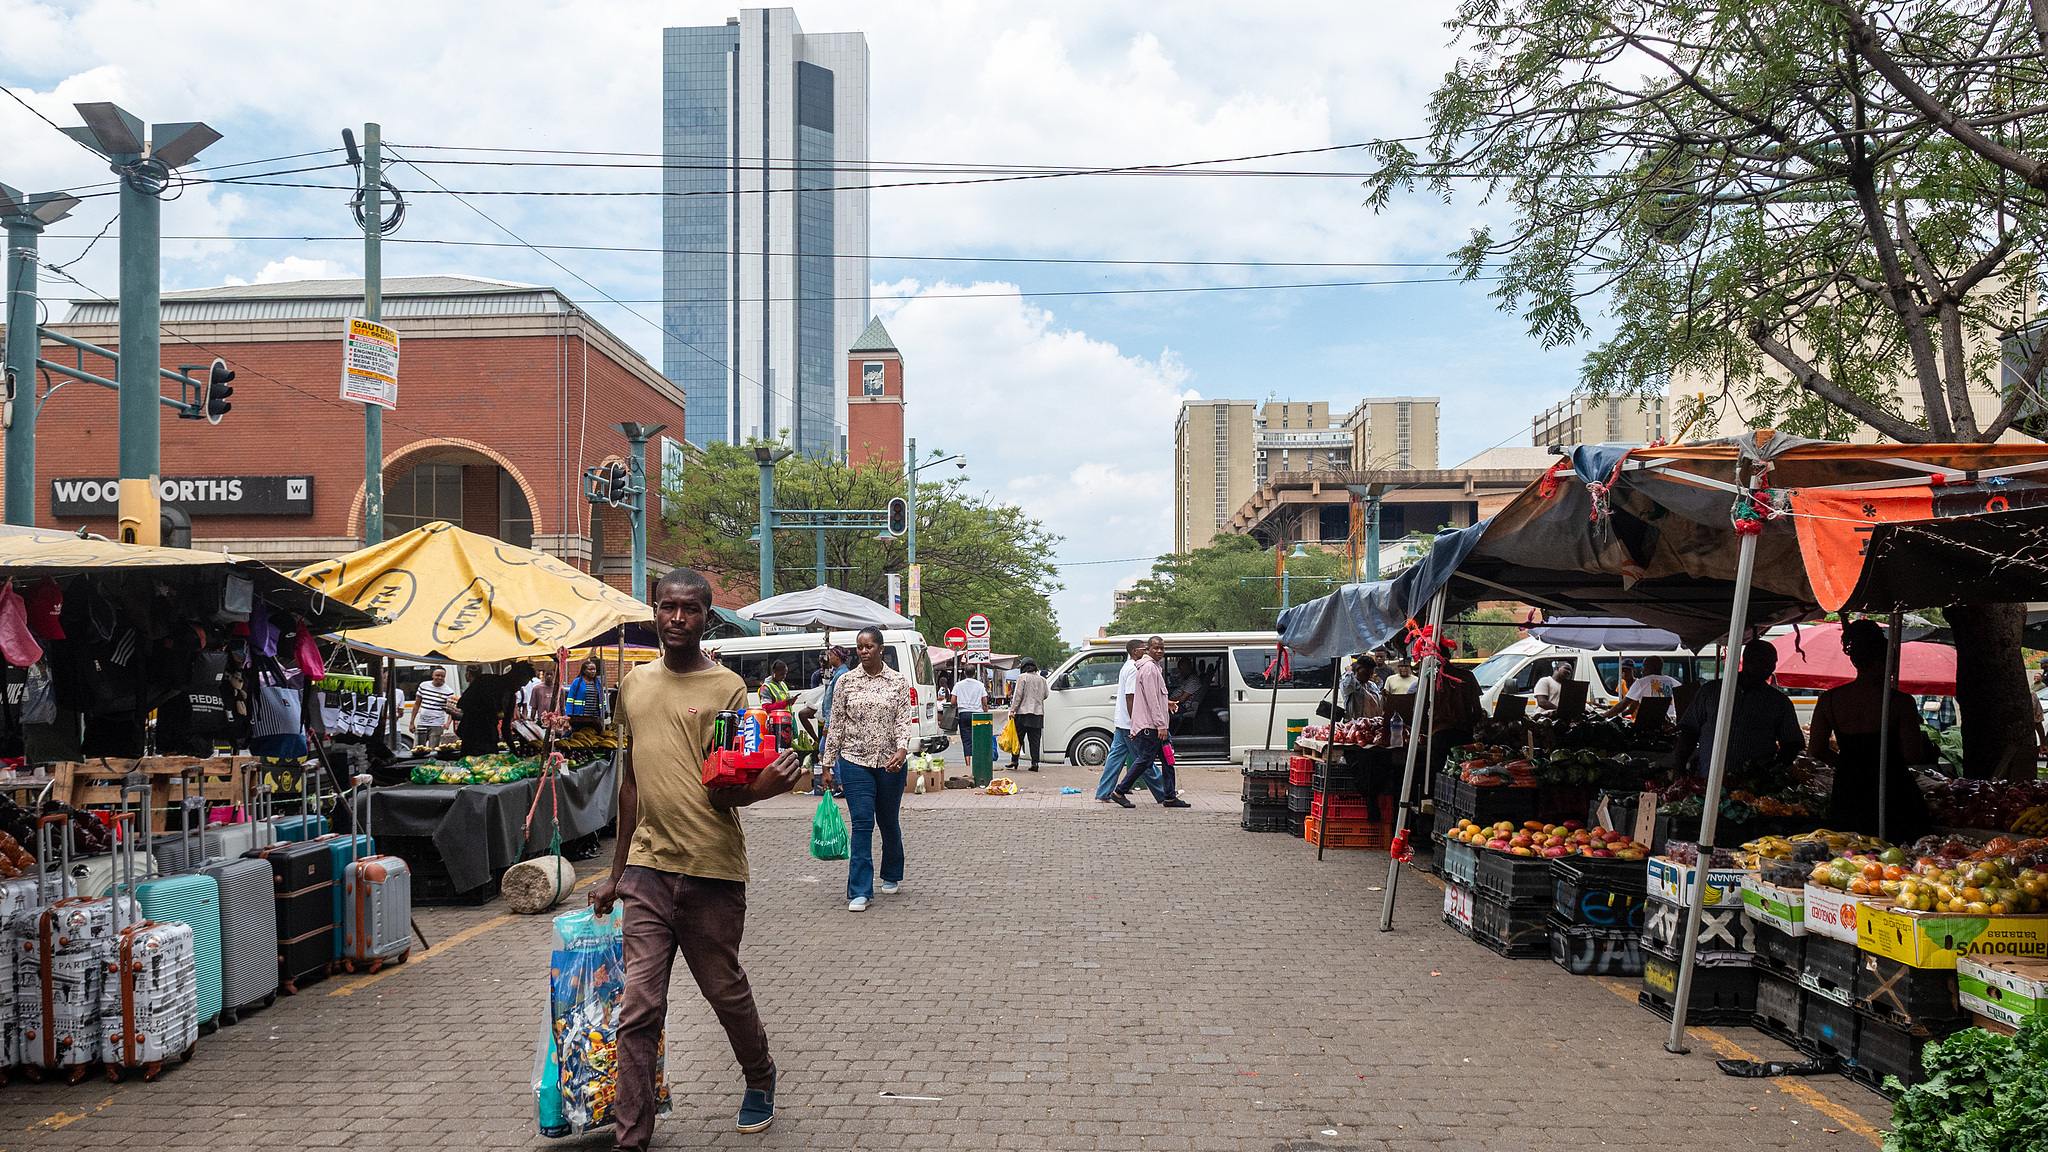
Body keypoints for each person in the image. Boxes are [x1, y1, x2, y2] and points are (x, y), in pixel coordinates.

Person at [589, 568, 802, 1142]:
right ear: (654, 612)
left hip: (711, 867)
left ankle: (760, 1075)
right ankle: (632, 1136)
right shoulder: (633, 685)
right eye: (667, 607)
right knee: (639, 1008)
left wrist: (770, 786)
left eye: (689, 609)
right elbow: (629, 784)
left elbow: (726, 786)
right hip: (648, 873)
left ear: (707, 617)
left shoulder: (727, 689)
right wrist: (615, 873)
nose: (676, 618)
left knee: (724, 990)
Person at [819, 626, 918, 912]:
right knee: (862, 823)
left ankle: (891, 873)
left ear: (880, 649)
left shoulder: (897, 682)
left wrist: (901, 750)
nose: (864, 651)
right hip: (854, 762)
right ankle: (860, 890)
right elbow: (835, 724)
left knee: (888, 821)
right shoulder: (846, 682)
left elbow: (903, 720)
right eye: (860, 647)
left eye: (869, 646)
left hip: (890, 764)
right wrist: (827, 764)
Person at [1808, 619, 1934, 841]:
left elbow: (1816, 749)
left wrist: (1849, 765)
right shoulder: (1900, 702)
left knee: (1849, 852)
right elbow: (1912, 754)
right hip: (1892, 789)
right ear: (1883, 660)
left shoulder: (1829, 700)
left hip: (1849, 789)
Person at [1672, 639, 1804, 779]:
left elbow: (1792, 744)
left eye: (1773, 663)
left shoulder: (1779, 702)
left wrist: (1771, 772)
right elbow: (1689, 731)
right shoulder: (1711, 692)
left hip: (1752, 788)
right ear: (1747, 660)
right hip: (1708, 779)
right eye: (1763, 662)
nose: (1770, 668)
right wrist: (1678, 770)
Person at [1110, 636, 1191, 809]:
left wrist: (1167, 703)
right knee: (1144, 760)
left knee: (1168, 760)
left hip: (1158, 725)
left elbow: (1155, 696)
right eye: (1156, 648)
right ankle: (1119, 791)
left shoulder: (1154, 667)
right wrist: (1161, 725)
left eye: (1162, 648)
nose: (1160, 651)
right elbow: (1152, 700)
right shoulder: (1148, 669)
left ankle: (1169, 796)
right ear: (1148, 649)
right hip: (1152, 727)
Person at [1097, 640, 1169, 803]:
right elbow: (1131, 697)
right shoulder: (1134, 669)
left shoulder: (1127, 667)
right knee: (1144, 759)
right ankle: (1164, 792)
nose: (1146, 651)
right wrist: (1135, 724)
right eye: (1144, 649)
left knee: (1115, 758)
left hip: (1122, 722)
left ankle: (1104, 791)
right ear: (1134, 651)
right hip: (1130, 724)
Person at [456, 662, 535, 755]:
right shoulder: (485, 681)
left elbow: (506, 726)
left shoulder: (511, 696)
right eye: (519, 684)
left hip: (490, 739)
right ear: (513, 676)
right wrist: (487, 711)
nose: (519, 689)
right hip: (472, 736)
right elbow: (461, 704)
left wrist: (514, 750)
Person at [1606, 655, 1680, 720]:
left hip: (1649, 723)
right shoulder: (1674, 682)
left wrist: (1604, 715)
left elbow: (1622, 705)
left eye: (1643, 667)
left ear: (1649, 668)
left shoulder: (1641, 683)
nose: (1642, 670)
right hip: (1671, 723)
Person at [1008, 658, 1047, 770]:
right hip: (1038, 713)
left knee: (1018, 738)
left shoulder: (1022, 677)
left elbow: (1018, 696)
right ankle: (1035, 763)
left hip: (1023, 712)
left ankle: (1014, 760)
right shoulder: (1042, 680)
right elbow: (1046, 694)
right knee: (1035, 740)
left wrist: (1012, 710)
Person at [408, 666, 457, 751]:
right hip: (423, 722)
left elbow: (451, 709)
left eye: (442, 676)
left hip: (437, 724)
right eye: (437, 675)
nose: (440, 678)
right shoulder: (423, 686)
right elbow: (416, 704)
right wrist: (412, 722)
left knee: (433, 749)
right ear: (432, 675)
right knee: (418, 748)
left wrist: (448, 723)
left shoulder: (448, 691)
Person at [951, 672, 987, 766]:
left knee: (966, 740)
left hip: (964, 713)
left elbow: (952, 701)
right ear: (975, 673)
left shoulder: (958, 685)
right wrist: (985, 713)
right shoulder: (980, 685)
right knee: (978, 739)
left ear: (964, 673)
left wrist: (960, 704)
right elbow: (984, 702)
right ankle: (978, 763)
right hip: (978, 714)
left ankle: (968, 764)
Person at [564, 658, 606, 728]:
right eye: (590, 669)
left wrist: (604, 713)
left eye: (594, 669)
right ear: (584, 671)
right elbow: (570, 701)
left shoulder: (598, 683)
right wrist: (568, 716)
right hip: (580, 718)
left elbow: (603, 701)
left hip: (595, 719)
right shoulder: (577, 682)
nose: (593, 671)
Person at [1341, 654, 1383, 720]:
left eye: (1371, 674)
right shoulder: (1352, 684)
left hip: (1372, 724)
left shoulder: (1372, 685)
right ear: (1357, 669)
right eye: (1365, 673)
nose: (1369, 677)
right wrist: (1349, 672)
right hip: (1356, 725)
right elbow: (1347, 687)